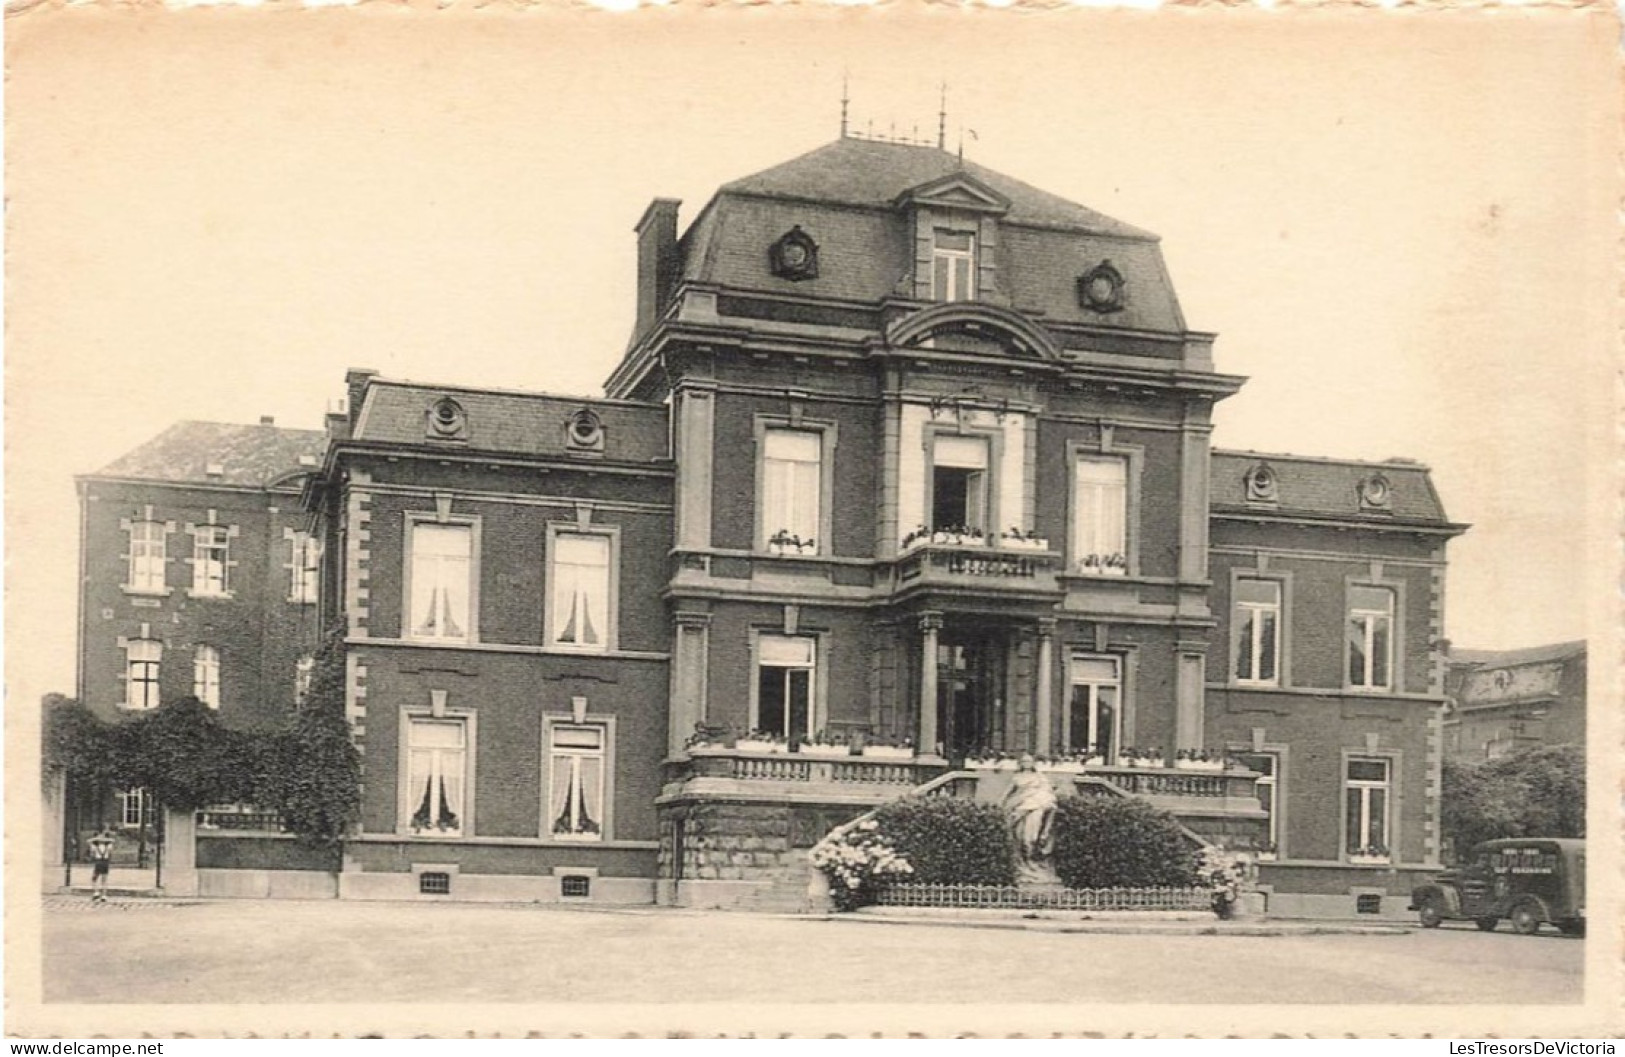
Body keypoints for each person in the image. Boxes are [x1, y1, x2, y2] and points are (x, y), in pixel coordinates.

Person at [1003, 755, 1059, 883]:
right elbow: (1007, 793)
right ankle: (1024, 864)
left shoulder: (1039, 777)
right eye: (1024, 761)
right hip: (1019, 809)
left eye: (1029, 761)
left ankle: (1033, 862)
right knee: (1021, 838)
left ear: (1033, 763)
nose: (1026, 763)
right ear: (1020, 763)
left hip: (1036, 808)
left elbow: (1048, 794)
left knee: (1032, 837)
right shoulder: (1017, 778)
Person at [87, 827, 116, 904]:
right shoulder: (109, 846)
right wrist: (107, 839)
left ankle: (96, 892)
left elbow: (90, 846)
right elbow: (111, 848)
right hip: (105, 862)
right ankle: (104, 895)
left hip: (98, 862)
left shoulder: (95, 846)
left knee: (94, 878)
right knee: (104, 880)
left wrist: (95, 840)